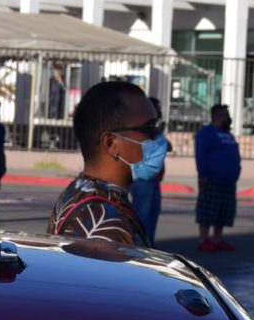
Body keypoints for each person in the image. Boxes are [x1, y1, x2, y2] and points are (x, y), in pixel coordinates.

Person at [47, 81, 167, 247]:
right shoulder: (103, 224)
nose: (160, 137)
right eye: (150, 127)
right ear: (111, 143)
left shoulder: (85, 191)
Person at [195, 104, 241, 251]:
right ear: (217, 116)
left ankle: (218, 238)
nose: (228, 118)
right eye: (226, 114)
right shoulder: (206, 133)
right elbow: (200, 155)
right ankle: (203, 239)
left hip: (228, 180)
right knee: (208, 210)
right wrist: (203, 175)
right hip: (211, 179)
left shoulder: (229, 135)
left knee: (224, 211)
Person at [129, 97, 172, 246]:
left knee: (151, 215)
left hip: (153, 180)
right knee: (144, 216)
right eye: (157, 108)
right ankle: (143, 247)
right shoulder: (144, 127)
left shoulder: (154, 128)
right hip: (144, 180)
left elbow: (168, 145)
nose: (159, 111)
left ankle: (148, 244)